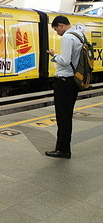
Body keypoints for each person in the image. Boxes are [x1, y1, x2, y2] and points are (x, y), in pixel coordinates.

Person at [45, 15, 82, 159]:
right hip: (74, 80)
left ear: (61, 25)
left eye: (56, 29)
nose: (57, 33)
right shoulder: (79, 34)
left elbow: (65, 61)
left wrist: (54, 55)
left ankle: (63, 149)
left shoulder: (67, 37)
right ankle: (62, 147)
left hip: (65, 81)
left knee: (63, 117)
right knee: (67, 115)